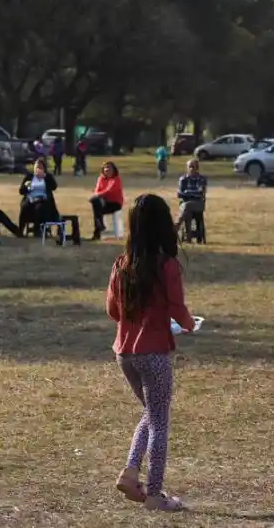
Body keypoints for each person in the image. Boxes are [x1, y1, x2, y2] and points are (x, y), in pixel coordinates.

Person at [108, 194, 195, 511]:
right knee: (160, 422)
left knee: (151, 413)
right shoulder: (167, 265)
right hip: (154, 353)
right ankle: (156, 495)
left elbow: (112, 311)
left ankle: (131, 473)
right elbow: (177, 308)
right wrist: (188, 325)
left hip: (125, 354)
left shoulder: (121, 264)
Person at [18, 159, 60, 237]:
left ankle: (37, 229)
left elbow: (54, 187)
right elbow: (21, 191)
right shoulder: (29, 177)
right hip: (31, 199)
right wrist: (26, 186)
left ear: (44, 169)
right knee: (24, 207)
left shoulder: (47, 177)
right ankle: (20, 231)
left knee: (39, 207)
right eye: (36, 167)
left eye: (40, 167)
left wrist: (45, 176)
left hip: (43, 200)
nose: (38, 169)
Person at [90, 161, 124, 240]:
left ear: (114, 170)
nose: (107, 169)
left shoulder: (116, 179)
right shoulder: (101, 178)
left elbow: (109, 190)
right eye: (106, 167)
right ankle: (100, 226)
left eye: (109, 168)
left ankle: (98, 232)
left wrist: (98, 195)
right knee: (95, 203)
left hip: (115, 203)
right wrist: (98, 195)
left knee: (96, 207)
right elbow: (97, 190)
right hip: (103, 202)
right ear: (103, 170)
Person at [176, 159, 207, 239]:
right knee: (187, 211)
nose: (191, 169)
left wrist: (187, 192)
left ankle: (177, 226)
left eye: (193, 167)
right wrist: (192, 193)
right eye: (190, 167)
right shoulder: (183, 179)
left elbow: (200, 193)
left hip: (198, 204)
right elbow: (179, 194)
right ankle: (188, 236)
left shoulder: (201, 179)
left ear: (197, 168)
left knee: (186, 206)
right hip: (185, 204)